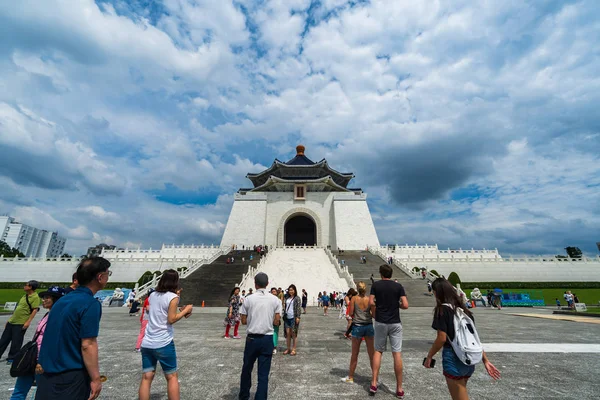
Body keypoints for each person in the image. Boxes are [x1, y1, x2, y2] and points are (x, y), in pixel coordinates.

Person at [37, 257, 111, 400]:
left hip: (47, 374)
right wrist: (96, 379)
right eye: (108, 273)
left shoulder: (62, 300)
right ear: (100, 277)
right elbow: (87, 344)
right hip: (70, 376)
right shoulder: (90, 304)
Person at [424, 278, 501, 399]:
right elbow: (473, 338)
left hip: (454, 358)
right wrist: (485, 360)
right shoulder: (464, 311)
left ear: (436, 292)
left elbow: (441, 338)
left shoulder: (442, 310)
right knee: (460, 393)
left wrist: (429, 356)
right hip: (469, 360)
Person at [139, 270, 193, 400]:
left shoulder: (152, 295)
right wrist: (186, 310)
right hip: (163, 342)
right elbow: (171, 319)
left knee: (147, 377)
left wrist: (177, 301)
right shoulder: (172, 297)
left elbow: (161, 310)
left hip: (147, 342)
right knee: (171, 377)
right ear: (175, 282)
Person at [10, 286, 65, 400]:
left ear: (56, 299)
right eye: (44, 297)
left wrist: (42, 360)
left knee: (39, 392)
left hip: (42, 359)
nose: (43, 300)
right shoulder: (48, 315)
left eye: (47, 297)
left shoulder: (58, 317)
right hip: (33, 357)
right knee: (21, 391)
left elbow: (52, 341)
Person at [239, 272, 282, 400]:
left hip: (252, 339)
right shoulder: (275, 300)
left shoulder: (248, 299)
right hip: (267, 339)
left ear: (255, 284)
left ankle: (244, 396)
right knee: (263, 374)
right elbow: (276, 321)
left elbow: (243, 321)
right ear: (267, 284)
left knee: (247, 369)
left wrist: (254, 319)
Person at [369, 264, 408, 398]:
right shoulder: (398, 286)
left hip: (380, 322)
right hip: (395, 323)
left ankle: (374, 383)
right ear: (391, 274)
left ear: (381, 274)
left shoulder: (376, 285)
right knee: (397, 354)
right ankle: (399, 388)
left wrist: (376, 309)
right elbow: (405, 305)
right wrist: (396, 304)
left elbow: (371, 302)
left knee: (378, 351)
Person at [341, 282, 375, 384]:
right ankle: (374, 378)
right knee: (371, 354)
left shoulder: (354, 299)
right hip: (368, 326)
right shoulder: (369, 299)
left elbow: (351, 313)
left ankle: (350, 377)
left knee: (355, 354)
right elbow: (373, 314)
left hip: (357, 327)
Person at [0, 280, 40, 364]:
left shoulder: (35, 297)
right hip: (12, 321)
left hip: (21, 322)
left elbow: (35, 310)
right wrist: (10, 319)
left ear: (31, 287)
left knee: (16, 341)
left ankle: (12, 357)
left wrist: (28, 322)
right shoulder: (24, 296)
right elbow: (19, 309)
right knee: (4, 339)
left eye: (26, 285)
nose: (24, 286)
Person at [283, 284, 302, 356]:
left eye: (292, 290)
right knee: (288, 333)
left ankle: (294, 349)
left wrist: (298, 317)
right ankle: (288, 348)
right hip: (287, 317)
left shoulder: (297, 298)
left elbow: (298, 308)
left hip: (293, 318)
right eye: (290, 290)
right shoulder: (287, 297)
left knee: (294, 334)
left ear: (295, 290)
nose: (291, 291)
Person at [270, 288, 281, 354]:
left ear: (276, 293)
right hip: (269, 318)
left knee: (275, 333)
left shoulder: (278, 300)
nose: (273, 293)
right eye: (272, 292)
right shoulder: (268, 300)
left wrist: (278, 318)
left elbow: (280, 310)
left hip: (276, 318)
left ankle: (274, 347)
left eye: (274, 291)